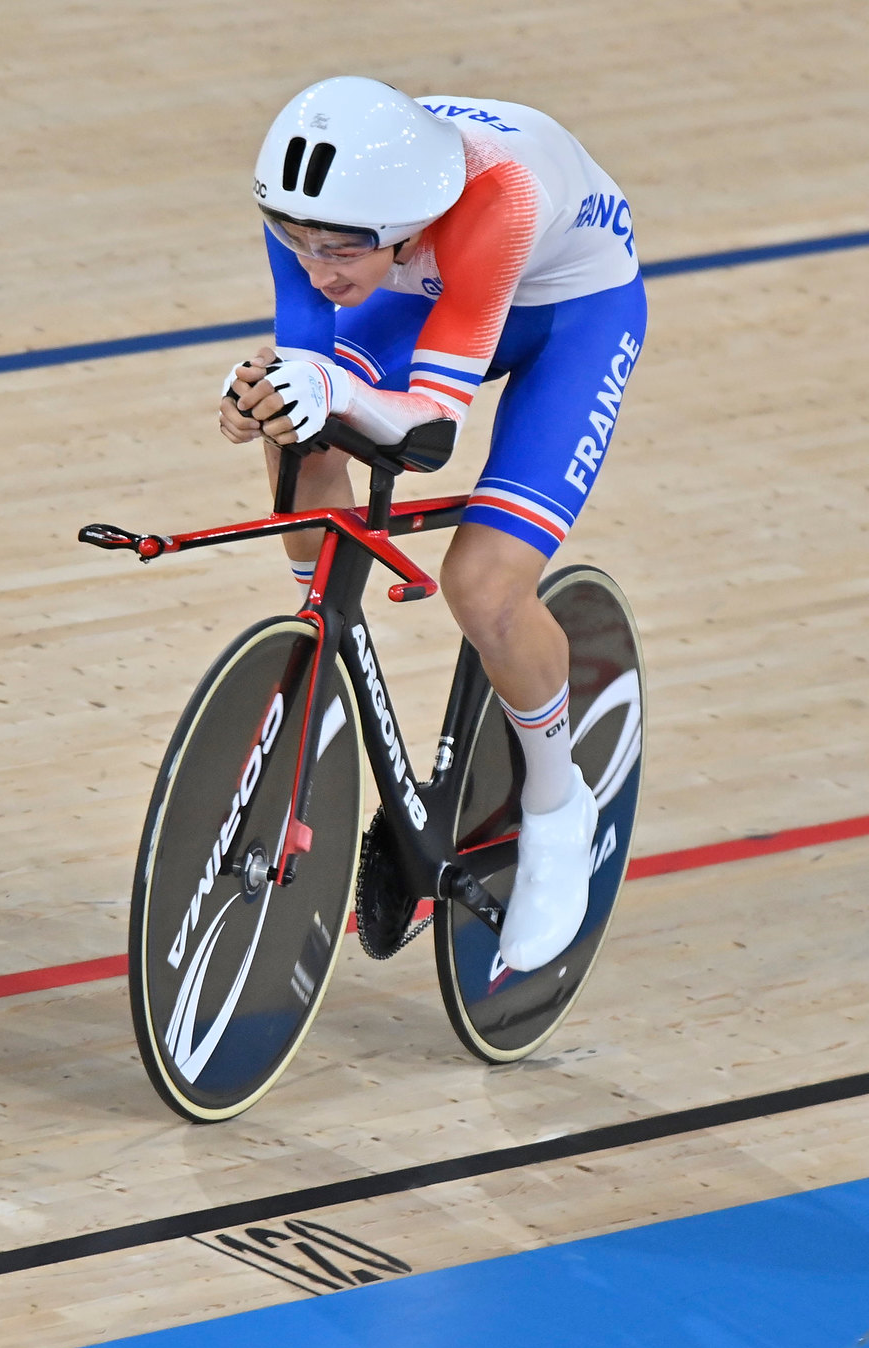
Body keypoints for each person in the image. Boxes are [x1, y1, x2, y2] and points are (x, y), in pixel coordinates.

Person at [219, 76, 646, 973]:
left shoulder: (498, 196)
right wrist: (272, 394)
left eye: (338, 248)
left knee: (483, 587)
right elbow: (310, 360)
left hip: (571, 313)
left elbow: (428, 429)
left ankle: (559, 805)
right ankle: (323, 626)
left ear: (410, 220)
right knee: (298, 425)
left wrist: (333, 385)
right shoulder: (317, 213)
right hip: (432, 289)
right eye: (296, 240)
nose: (315, 268)